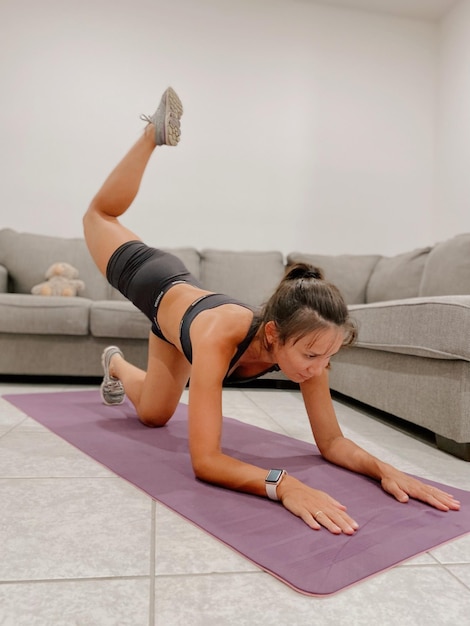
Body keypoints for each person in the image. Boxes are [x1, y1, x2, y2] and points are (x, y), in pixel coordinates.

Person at [83, 87, 460, 535]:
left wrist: (385, 470)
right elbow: (205, 461)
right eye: (312, 356)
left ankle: (115, 363)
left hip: (174, 327)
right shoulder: (219, 339)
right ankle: (151, 132)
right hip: (154, 280)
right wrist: (283, 484)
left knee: (152, 416)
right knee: (99, 215)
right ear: (273, 335)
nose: (319, 368)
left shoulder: (308, 346)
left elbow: (333, 442)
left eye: (327, 358)